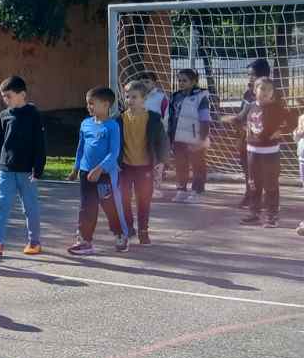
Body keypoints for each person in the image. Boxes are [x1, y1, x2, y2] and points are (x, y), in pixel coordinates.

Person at [0, 75, 46, 257]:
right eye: (3, 96)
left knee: (30, 207)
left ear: (22, 94)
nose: (5, 99)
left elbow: (40, 143)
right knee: (1, 205)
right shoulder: (4, 115)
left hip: (27, 171)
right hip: (5, 170)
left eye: (8, 96)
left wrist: (38, 168)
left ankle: (34, 242)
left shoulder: (33, 114)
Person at [67, 86, 127, 257]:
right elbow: (81, 148)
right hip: (86, 173)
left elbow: (114, 153)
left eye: (92, 103)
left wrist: (100, 169)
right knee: (87, 207)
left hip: (105, 175)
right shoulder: (85, 123)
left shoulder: (112, 126)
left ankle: (120, 234)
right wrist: (76, 168)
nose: (89, 107)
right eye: (88, 103)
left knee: (110, 206)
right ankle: (85, 241)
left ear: (106, 104)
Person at [116, 80, 170, 245]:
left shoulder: (153, 118)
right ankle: (128, 227)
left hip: (145, 167)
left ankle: (143, 230)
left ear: (144, 99)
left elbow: (162, 141)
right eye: (127, 97)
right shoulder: (118, 119)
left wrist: (161, 161)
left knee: (144, 200)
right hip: (125, 167)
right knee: (124, 199)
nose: (130, 100)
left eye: (134, 97)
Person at [241, 76, 292, 228]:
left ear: (272, 93)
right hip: (252, 152)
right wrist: (242, 127)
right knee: (254, 184)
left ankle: (272, 216)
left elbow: (292, 122)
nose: (265, 92)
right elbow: (240, 119)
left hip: (270, 153)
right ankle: (254, 213)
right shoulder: (250, 106)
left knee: (270, 185)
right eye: (262, 88)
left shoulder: (277, 108)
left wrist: (281, 131)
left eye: (269, 89)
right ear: (254, 90)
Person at [222, 58, 272, 211]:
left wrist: (231, 119)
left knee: (261, 170)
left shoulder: (269, 94)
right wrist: (238, 127)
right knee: (247, 168)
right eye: (248, 75)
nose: (249, 78)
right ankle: (249, 193)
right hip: (245, 137)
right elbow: (242, 114)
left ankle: (263, 199)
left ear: (263, 75)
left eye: (253, 75)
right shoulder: (248, 92)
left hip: (261, 140)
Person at [167, 68, 212, 202]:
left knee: (198, 165)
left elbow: (205, 119)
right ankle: (181, 190)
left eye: (184, 81)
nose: (181, 83)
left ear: (193, 82)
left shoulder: (201, 97)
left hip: (195, 138)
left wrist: (202, 138)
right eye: (179, 80)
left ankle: (197, 191)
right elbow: (171, 117)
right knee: (181, 165)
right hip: (178, 137)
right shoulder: (176, 96)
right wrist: (170, 135)